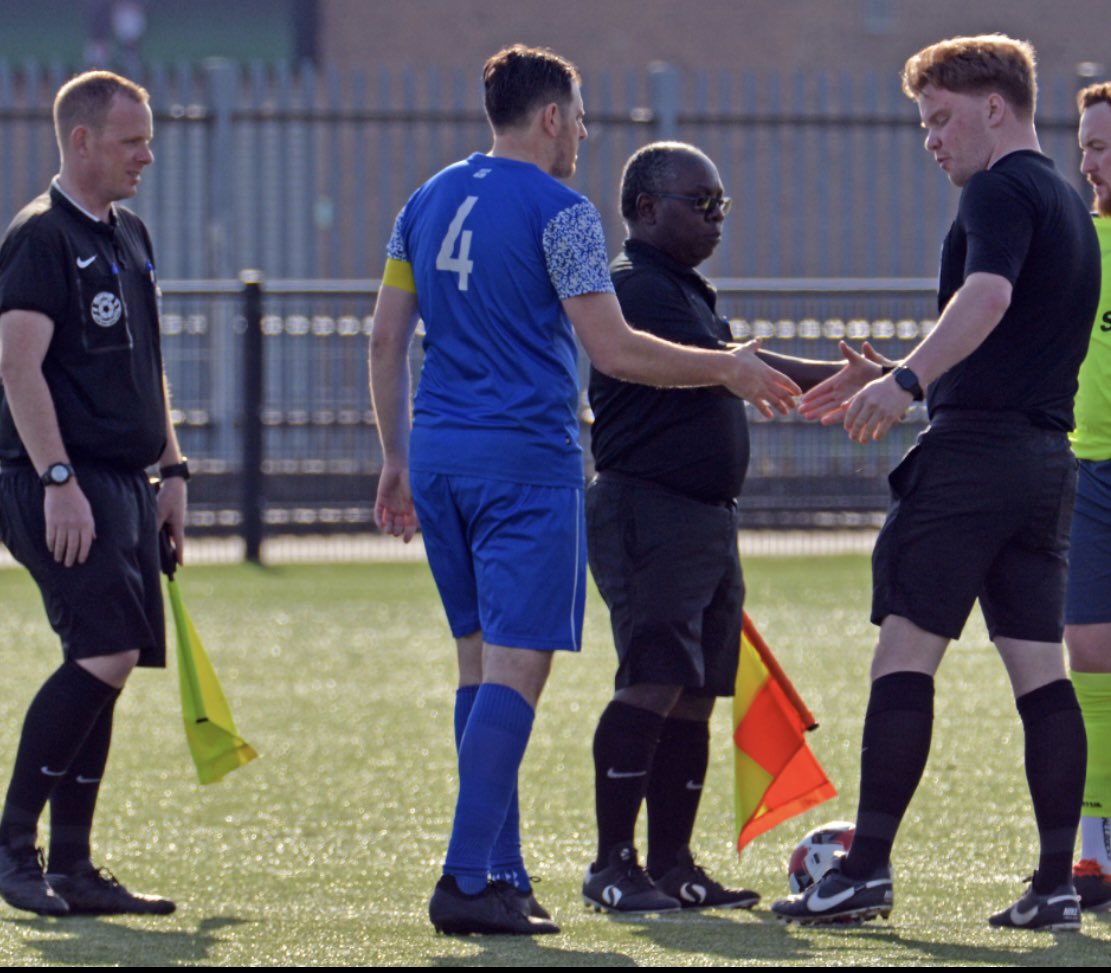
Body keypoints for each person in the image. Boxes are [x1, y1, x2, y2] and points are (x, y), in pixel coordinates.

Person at [370, 45, 802, 936]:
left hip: (440, 455)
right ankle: (464, 877)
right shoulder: (561, 211)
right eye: (582, 116)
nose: (584, 135)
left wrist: (394, 459)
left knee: (477, 665)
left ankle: (501, 868)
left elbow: (383, 339)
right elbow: (613, 350)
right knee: (518, 671)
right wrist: (726, 366)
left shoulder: (426, 197)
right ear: (554, 117)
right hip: (522, 464)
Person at [773, 34, 1099, 931]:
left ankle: (863, 872)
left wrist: (906, 381)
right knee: (1039, 672)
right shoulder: (1068, 204)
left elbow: (986, 301)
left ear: (995, 106)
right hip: (1042, 466)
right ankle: (1054, 884)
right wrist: (897, 368)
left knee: (904, 654)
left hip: (973, 463)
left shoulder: (998, 187)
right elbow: (1009, 339)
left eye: (940, 118)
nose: (930, 139)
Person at [583, 141, 859, 914]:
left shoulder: (684, 288)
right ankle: (612, 863)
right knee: (651, 678)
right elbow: (733, 363)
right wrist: (826, 378)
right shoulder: (634, 288)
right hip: (648, 508)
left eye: (720, 205)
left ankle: (672, 864)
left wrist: (848, 380)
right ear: (643, 208)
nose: (714, 218)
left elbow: (738, 363)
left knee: (698, 688)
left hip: (703, 518)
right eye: (697, 203)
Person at [0, 71, 186, 916]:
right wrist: (58, 480)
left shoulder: (131, 232)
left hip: (124, 482)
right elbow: (15, 364)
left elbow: (146, 364)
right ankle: (12, 846)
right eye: (130, 140)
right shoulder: (41, 237)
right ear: (81, 142)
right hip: (56, 482)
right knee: (103, 651)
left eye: (146, 138)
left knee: (109, 664)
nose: (146, 154)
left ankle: (71, 864)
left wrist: (172, 471)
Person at [1068, 81, 1111, 913]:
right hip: (1084, 470)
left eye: (1102, 143)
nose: (1086, 160)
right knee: (1088, 648)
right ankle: (1094, 843)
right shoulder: (1070, 241)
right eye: (1084, 142)